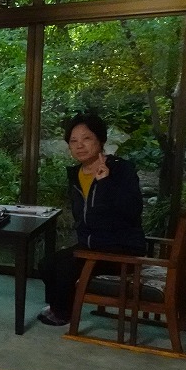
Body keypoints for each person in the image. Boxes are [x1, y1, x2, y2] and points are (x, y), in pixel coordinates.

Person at [38, 112, 146, 326]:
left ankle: (62, 312)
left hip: (121, 248)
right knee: (47, 263)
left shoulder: (121, 169)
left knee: (65, 267)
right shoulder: (76, 174)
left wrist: (104, 183)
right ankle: (58, 306)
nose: (79, 145)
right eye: (73, 141)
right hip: (90, 246)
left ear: (101, 140)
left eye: (86, 138)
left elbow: (132, 211)